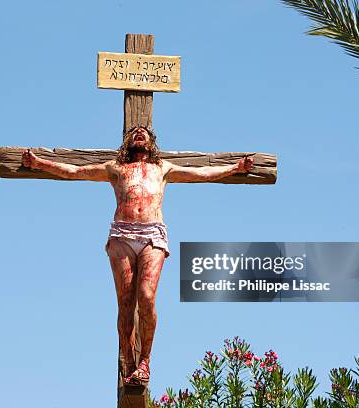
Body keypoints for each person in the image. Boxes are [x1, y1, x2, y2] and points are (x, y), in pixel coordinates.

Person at [22, 126, 253, 386]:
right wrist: (38, 162)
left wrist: (235, 168)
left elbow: (202, 173)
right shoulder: (115, 168)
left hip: (152, 233)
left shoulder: (162, 168)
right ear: (128, 141)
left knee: (145, 296)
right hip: (122, 233)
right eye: (135, 132)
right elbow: (75, 171)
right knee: (125, 301)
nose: (139, 133)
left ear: (152, 141)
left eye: (144, 132)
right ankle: (129, 362)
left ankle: (145, 360)